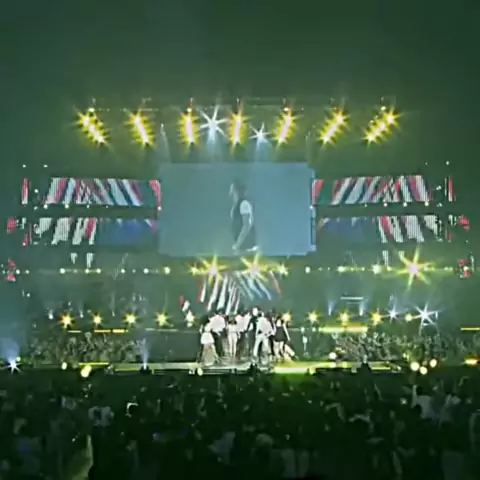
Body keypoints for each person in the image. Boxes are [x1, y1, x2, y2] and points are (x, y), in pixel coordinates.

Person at [230, 180, 258, 254]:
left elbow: (246, 226)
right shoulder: (235, 207)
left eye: (232, 190)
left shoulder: (244, 204)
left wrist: (237, 245)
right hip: (242, 248)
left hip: (247, 249)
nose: (230, 193)